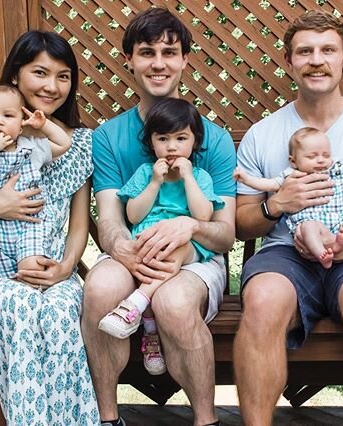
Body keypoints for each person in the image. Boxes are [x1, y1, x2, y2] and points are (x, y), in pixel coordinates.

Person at [233, 10, 343, 426]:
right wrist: (276, 205)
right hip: (285, 252)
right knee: (261, 303)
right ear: (289, 61)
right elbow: (243, 223)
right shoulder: (263, 133)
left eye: (327, 50)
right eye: (305, 51)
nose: (317, 59)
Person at [82, 7, 236, 426]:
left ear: (185, 59)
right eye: (146, 52)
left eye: (169, 52)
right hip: (133, 250)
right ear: (129, 60)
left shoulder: (213, 140)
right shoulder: (109, 137)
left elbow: (224, 236)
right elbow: (111, 219)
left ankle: (206, 419)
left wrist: (192, 226)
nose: (158, 63)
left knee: (173, 301)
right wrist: (123, 251)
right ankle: (108, 417)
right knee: (99, 288)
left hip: (195, 258)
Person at [0, 31, 99, 424]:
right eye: (40, 72)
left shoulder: (79, 144)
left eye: (64, 76)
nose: (52, 86)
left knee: (61, 313)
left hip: (54, 274)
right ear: (16, 75)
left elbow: (79, 225)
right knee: (21, 307)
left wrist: (65, 269)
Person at [98, 98, 225, 375]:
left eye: (181, 138)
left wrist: (188, 178)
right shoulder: (145, 173)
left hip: (185, 244)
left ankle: (135, 303)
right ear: (151, 142)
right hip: (146, 243)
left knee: (171, 249)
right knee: (148, 252)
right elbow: (133, 215)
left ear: (195, 141)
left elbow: (203, 216)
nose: (171, 147)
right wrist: (155, 182)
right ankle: (151, 337)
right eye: (163, 138)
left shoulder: (200, 176)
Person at [0, 83, 72, 278]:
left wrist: (44, 125)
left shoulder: (32, 148)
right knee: (1, 277)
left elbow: (64, 143)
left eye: (8, 116)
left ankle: (30, 289)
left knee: (31, 269)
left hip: (30, 225)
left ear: (21, 123)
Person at [234, 126, 343, 268]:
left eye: (326, 155)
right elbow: (267, 184)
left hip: (338, 223)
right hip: (310, 222)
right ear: (293, 161)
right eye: (312, 156)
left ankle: (342, 244)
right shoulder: (290, 177)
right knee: (309, 227)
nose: (320, 160)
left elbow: (342, 194)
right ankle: (321, 254)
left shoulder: (333, 174)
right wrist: (246, 179)